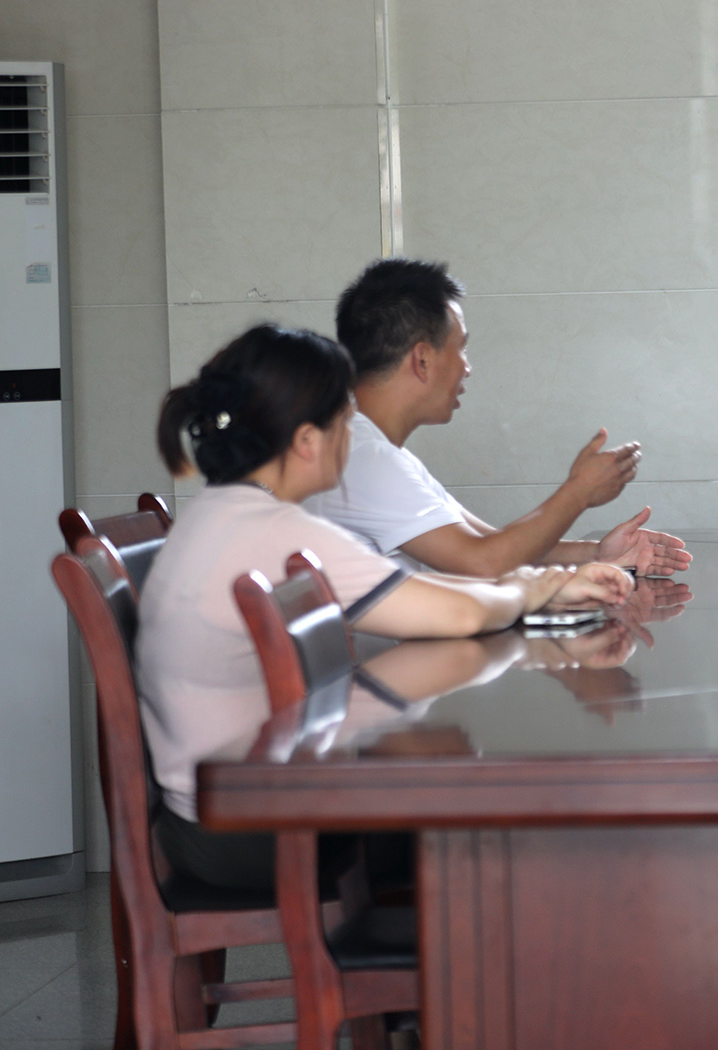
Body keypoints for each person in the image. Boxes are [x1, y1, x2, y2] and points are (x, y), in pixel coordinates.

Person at [139, 323, 634, 889]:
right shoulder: (274, 530)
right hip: (242, 828)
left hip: (215, 806)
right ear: (308, 441)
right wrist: (531, 590)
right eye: (344, 420)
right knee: (461, 776)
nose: (352, 436)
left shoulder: (222, 513)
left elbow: (428, 594)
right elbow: (458, 615)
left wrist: (540, 584)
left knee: (442, 754)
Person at [306, 259, 691, 578]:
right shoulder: (364, 457)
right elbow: (485, 562)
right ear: (422, 360)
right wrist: (579, 492)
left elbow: (495, 543)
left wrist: (598, 553)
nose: (467, 368)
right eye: (461, 348)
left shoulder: (374, 449)